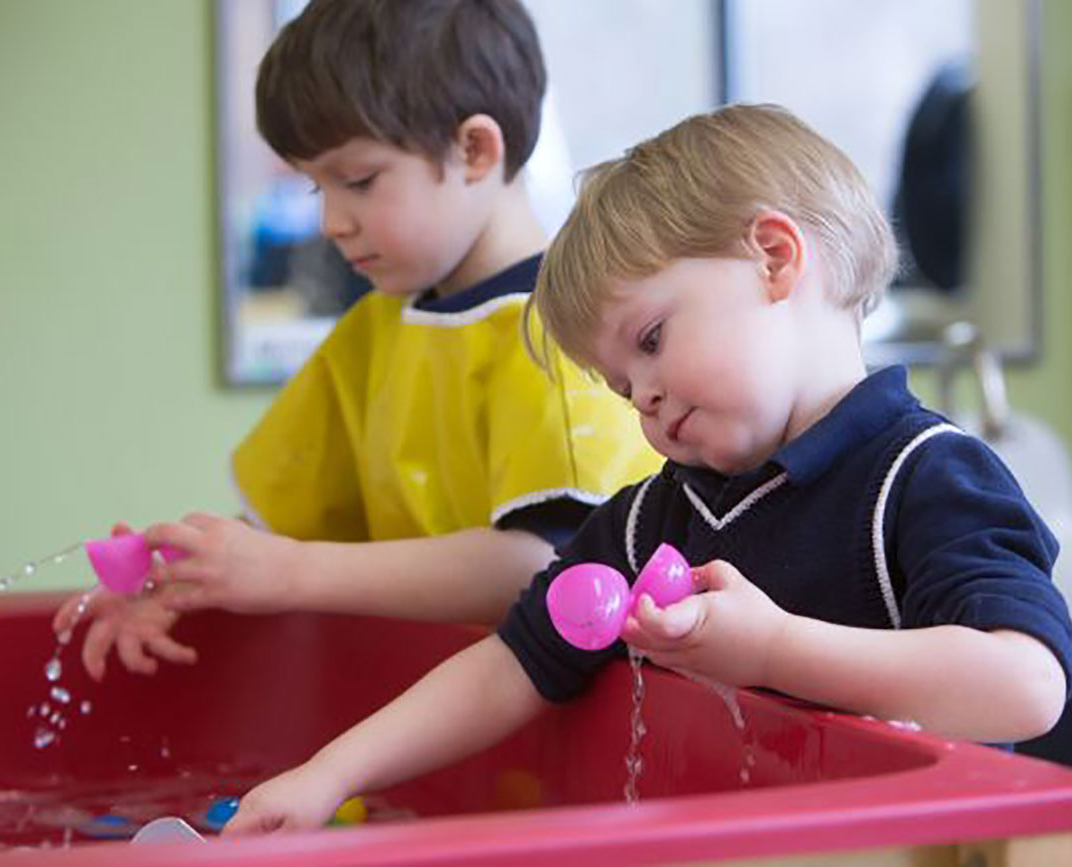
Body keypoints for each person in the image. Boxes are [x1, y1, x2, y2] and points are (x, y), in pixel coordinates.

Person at [187, 103, 1072, 835]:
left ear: (773, 256)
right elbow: (513, 663)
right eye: (619, 383)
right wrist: (327, 772)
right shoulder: (656, 518)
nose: (641, 398)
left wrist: (770, 646)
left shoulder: (925, 476)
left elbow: (1025, 686)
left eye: (651, 340)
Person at [52, 0, 659, 679]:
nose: (334, 222)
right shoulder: (371, 333)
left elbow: (544, 563)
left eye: (359, 181)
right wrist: (188, 579)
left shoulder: (559, 334)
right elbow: (287, 531)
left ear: (473, 150)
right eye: (318, 188)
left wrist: (289, 572)